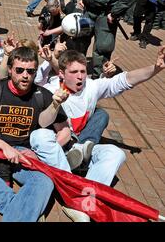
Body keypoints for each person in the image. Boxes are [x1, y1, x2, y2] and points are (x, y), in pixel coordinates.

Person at [39, 47, 165, 221]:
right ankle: (77, 191)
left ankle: (85, 200)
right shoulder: (48, 90)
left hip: (80, 146)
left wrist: (156, 68)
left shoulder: (92, 86)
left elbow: (125, 80)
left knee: (116, 153)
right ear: (61, 73)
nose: (80, 76)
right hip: (59, 150)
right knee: (98, 117)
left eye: (83, 71)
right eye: (74, 72)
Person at [0, 47, 69, 221]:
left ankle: (19, 211)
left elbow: (64, 131)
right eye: (19, 70)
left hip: (24, 153)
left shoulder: (43, 95)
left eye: (30, 71)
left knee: (44, 181)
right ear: (11, 69)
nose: (25, 75)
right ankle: (18, 206)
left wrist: (42, 151)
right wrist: (4, 147)